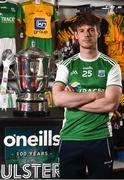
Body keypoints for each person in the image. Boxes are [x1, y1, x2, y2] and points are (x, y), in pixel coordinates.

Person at [52, 14, 122, 179]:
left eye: (91, 30)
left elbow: (110, 104)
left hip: (100, 137)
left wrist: (74, 101)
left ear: (98, 33)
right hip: (70, 137)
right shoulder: (66, 65)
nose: (87, 34)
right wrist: (94, 94)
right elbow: (58, 99)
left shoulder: (112, 66)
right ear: (76, 35)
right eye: (82, 30)